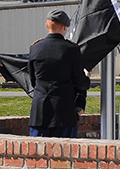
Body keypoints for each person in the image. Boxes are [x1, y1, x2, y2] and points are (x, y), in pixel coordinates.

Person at [28, 10, 90, 138]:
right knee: (65, 155)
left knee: (37, 154)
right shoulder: (71, 49)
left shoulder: (35, 48)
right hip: (64, 112)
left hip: (40, 112)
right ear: (64, 27)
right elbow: (79, 82)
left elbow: (33, 81)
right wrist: (86, 78)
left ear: (47, 25)